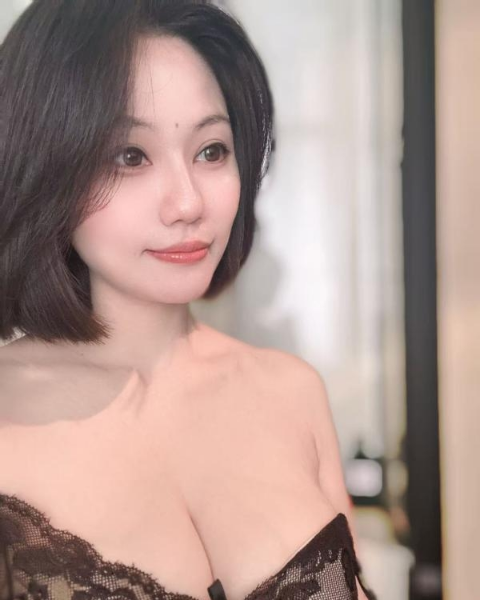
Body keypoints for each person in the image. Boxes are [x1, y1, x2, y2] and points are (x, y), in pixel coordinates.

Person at [0, 2, 376, 599]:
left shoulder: (291, 391)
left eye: (211, 150)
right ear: (47, 166)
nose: (188, 203)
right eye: (130, 156)